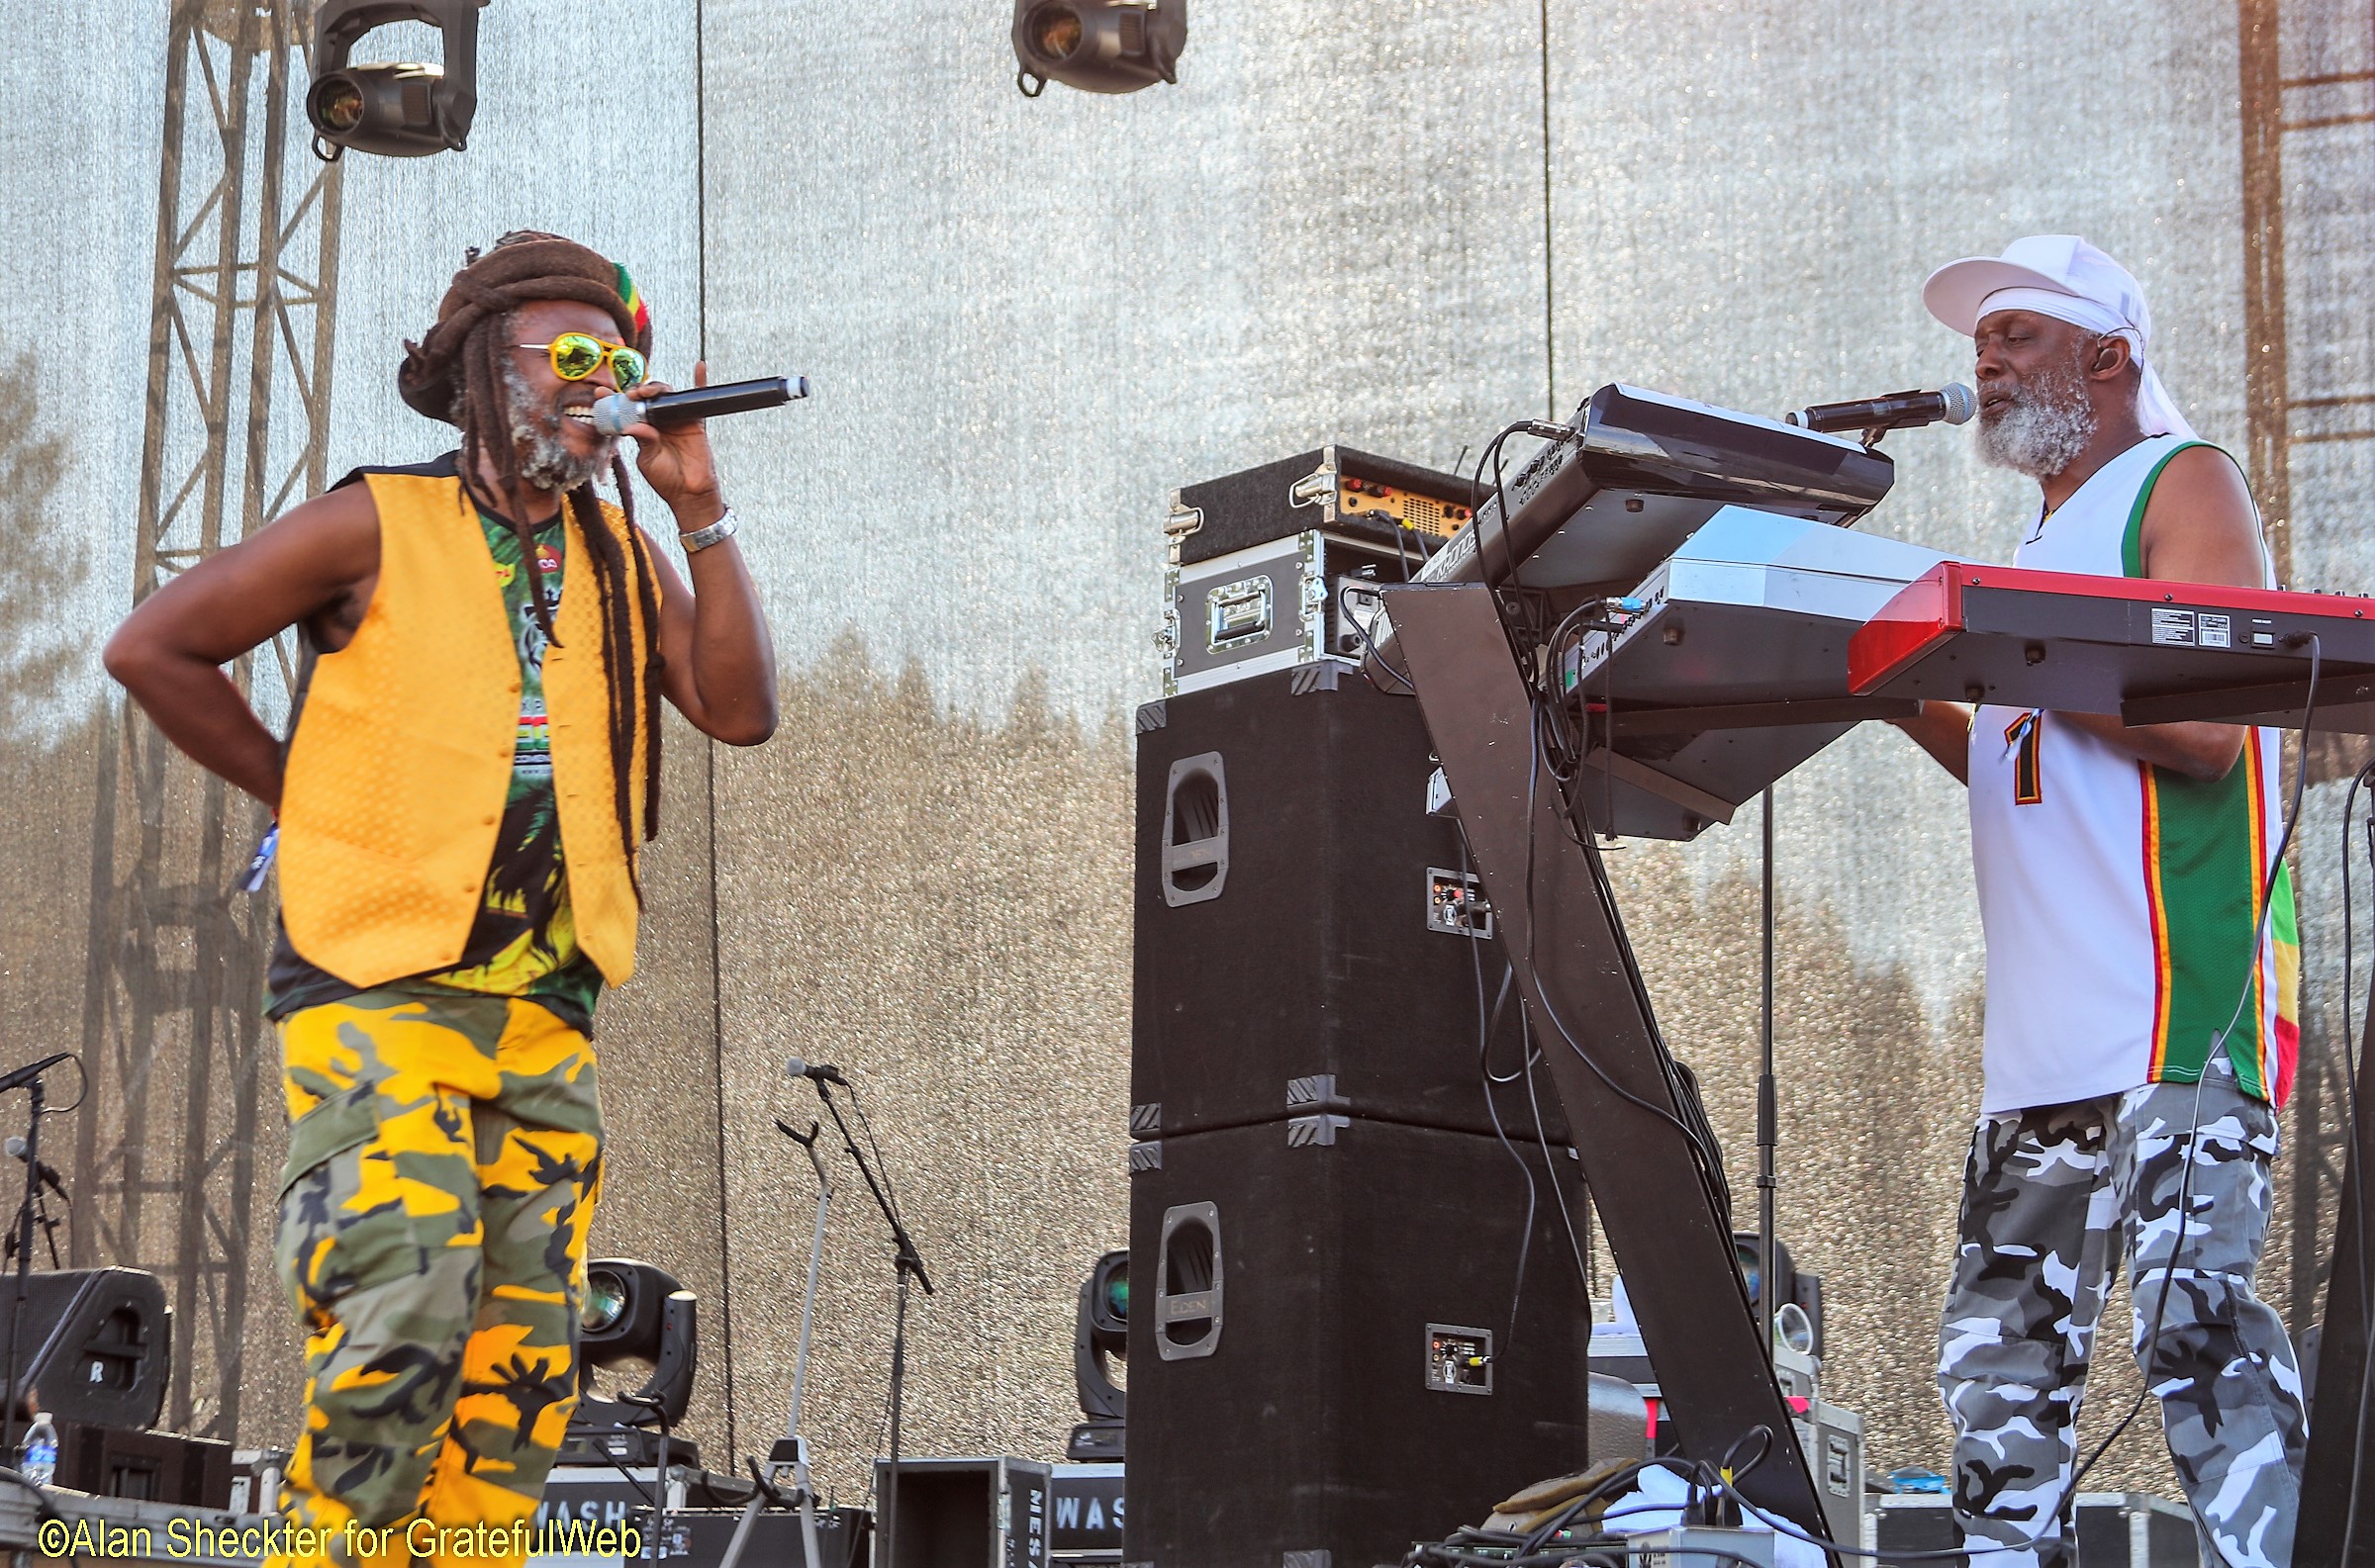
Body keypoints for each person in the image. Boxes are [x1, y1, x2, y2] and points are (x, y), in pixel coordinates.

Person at [103, 231, 777, 1568]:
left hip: (547, 1013)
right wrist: (305, 786)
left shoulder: (618, 557)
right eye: (572, 356)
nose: (604, 382)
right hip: (381, 992)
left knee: (517, 1391)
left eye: (622, 361)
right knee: (400, 1304)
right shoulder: (375, 522)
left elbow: (741, 708)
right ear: (488, 370)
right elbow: (155, 645)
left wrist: (696, 504)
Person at [1888, 235, 2308, 1568]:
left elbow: (2205, 732)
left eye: (2017, 332)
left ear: (2108, 355)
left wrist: (1998, 644)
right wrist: (1897, 680)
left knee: (2196, 1333)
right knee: (1997, 1388)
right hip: (2041, 1055)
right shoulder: (2041, 535)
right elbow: (2025, 759)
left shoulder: (2180, 481)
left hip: (2177, 1015)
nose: (1986, 357)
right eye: (1982, 339)